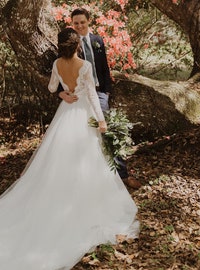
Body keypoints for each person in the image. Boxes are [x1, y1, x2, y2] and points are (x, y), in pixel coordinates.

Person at [0, 28, 139, 270]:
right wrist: (102, 121)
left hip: (65, 115)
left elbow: (52, 88)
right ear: (77, 46)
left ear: (60, 47)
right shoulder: (84, 66)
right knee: (87, 159)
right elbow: (94, 97)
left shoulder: (56, 64)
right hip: (83, 113)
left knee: (59, 160)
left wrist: (63, 93)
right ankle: (84, 206)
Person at [58, 7, 141, 189]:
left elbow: (104, 68)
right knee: (81, 136)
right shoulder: (69, 43)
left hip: (99, 92)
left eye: (82, 22)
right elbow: (60, 68)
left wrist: (107, 91)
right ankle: (84, 179)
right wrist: (60, 92)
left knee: (108, 132)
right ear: (72, 24)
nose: (79, 26)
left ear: (89, 21)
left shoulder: (97, 40)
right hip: (78, 96)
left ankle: (123, 175)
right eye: (75, 23)